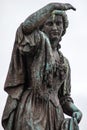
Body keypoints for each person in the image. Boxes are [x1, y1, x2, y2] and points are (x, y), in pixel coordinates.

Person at [2, 2, 82, 130]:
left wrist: (75, 111)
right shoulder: (36, 46)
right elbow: (26, 27)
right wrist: (52, 6)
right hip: (32, 109)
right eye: (50, 23)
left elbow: (64, 98)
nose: (55, 27)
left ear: (64, 27)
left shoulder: (64, 62)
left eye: (58, 23)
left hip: (56, 115)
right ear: (42, 28)